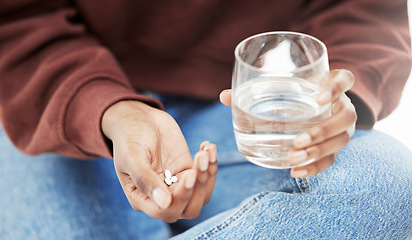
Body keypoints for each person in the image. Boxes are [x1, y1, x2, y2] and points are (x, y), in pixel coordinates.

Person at [0, 0, 411, 239]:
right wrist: (109, 110)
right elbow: (15, 21)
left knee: (385, 184)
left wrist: (327, 96)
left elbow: (365, 9)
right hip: (61, 103)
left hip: (257, 114)